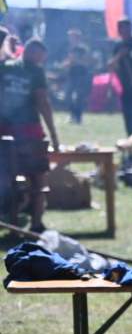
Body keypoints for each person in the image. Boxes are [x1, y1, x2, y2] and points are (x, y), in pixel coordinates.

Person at [0, 39, 60, 232]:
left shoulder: (4, 67)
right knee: (38, 180)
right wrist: (53, 134)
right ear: (35, 54)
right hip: (28, 133)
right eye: (40, 57)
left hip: (3, 131)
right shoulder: (36, 71)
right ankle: (36, 223)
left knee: (5, 177)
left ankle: (10, 221)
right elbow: (42, 102)